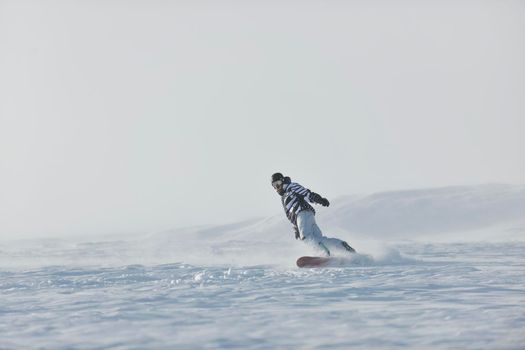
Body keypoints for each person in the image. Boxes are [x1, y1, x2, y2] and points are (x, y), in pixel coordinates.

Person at [271, 172, 355, 256]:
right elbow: (290, 215)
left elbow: (306, 194)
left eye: (278, 183)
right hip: (304, 217)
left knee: (306, 237)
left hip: (303, 213)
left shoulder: (291, 186)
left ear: (282, 181)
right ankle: (341, 245)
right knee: (318, 239)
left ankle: (323, 253)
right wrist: (296, 227)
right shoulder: (283, 197)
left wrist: (319, 199)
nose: (277, 187)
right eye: (274, 185)